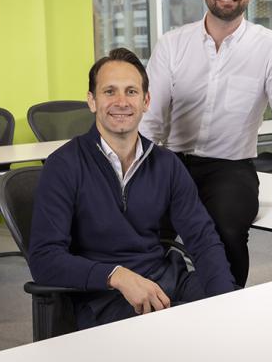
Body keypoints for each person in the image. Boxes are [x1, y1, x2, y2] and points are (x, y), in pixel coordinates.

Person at [29, 48, 235, 330]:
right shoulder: (63, 165)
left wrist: (228, 301)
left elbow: (202, 238)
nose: (121, 102)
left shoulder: (167, 164)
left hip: (166, 279)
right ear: (91, 101)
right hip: (102, 297)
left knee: (240, 315)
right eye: (109, 92)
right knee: (190, 331)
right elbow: (44, 259)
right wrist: (117, 276)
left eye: (131, 92)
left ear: (146, 101)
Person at [140, 0, 272, 287]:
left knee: (226, 229)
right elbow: (150, 118)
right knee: (144, 225)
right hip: (171, 161)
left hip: (230, 167)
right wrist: (140, 175)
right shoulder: (172, 44)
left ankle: (228, 305)